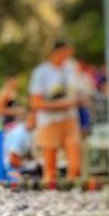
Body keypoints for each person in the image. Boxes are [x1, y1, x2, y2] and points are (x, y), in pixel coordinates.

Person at [28, 40, 82, 181]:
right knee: (50, 167)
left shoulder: (70, 69)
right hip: (49, 121)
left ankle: (72, 188)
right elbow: (35, 103)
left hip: (69, 119)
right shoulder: (41, 72)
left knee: (75, 166)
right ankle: (50, 189)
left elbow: (78, 91)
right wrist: (60, 104)